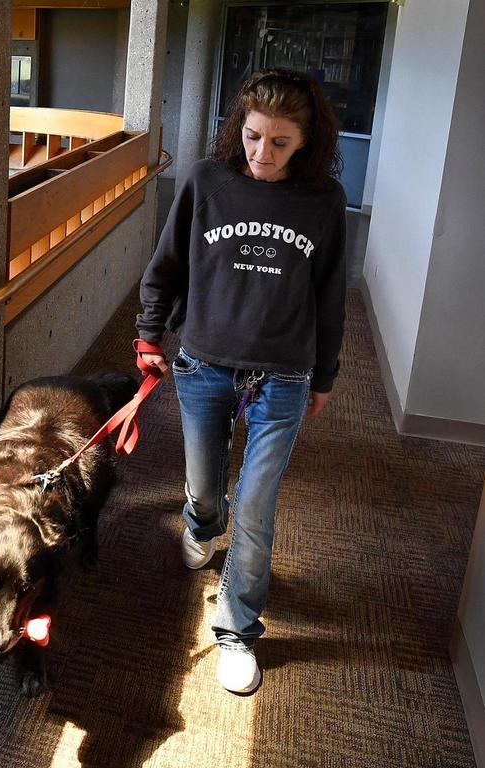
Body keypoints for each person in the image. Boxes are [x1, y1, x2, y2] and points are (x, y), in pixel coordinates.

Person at [134, 69, 346, 694]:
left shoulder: (323, 202)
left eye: (280, 143)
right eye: (254, 137)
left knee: (256, 505)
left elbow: (330, 296)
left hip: (284, 372)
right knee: (204, 487)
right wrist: (149, 334)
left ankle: (236, 629)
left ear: (305, 142)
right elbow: (165, 265)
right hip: (203, 363)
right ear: (239, 129)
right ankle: (201, 525)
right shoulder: (206, 181)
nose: (262, 154)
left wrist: (325, 374)